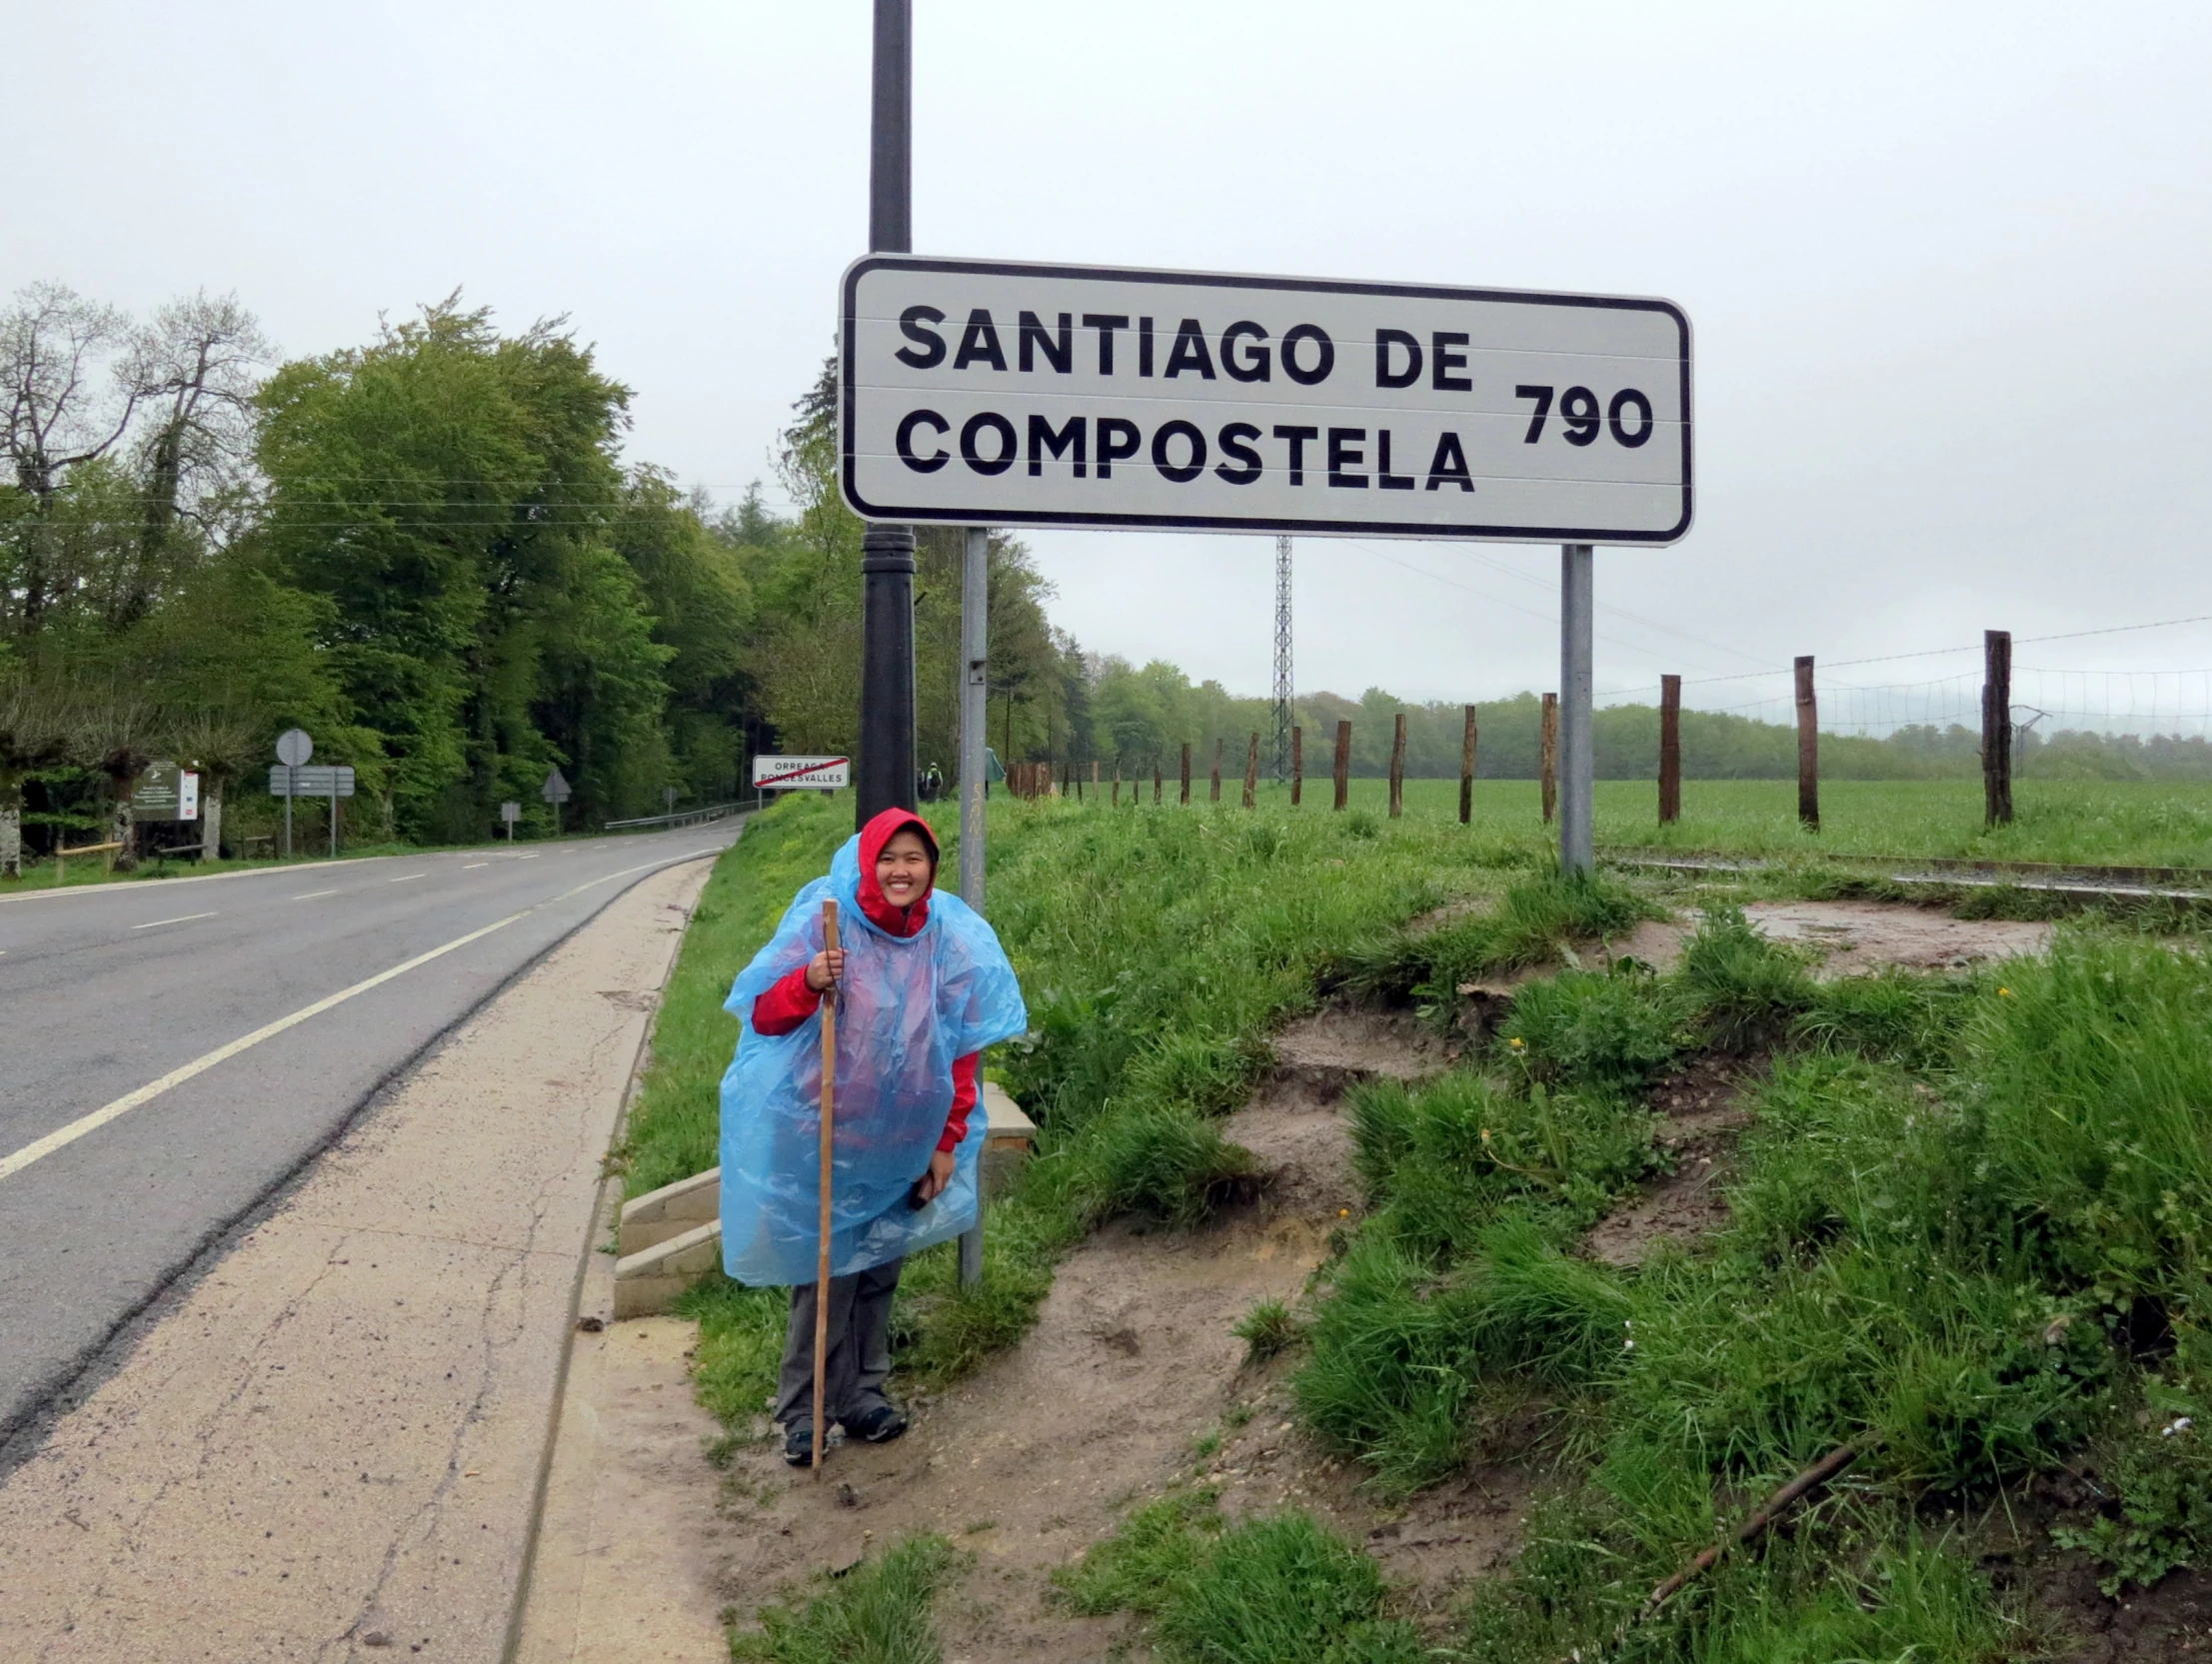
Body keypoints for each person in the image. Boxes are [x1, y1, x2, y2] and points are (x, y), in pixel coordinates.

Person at [718, 807, 1027, 1467]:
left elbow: (963, 1049)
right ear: (868, 862)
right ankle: (804, 1411)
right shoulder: (825, 924)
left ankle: (863, 1394)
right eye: (889, 857)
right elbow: (764, 1015)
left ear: (930, 867)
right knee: (823, 1275)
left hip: (904, 1137)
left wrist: (946, 1142)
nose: (901, 870)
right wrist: (808, 980)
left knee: (880, 1268)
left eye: (913, 858)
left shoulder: (948, 937)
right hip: (824, 1132)